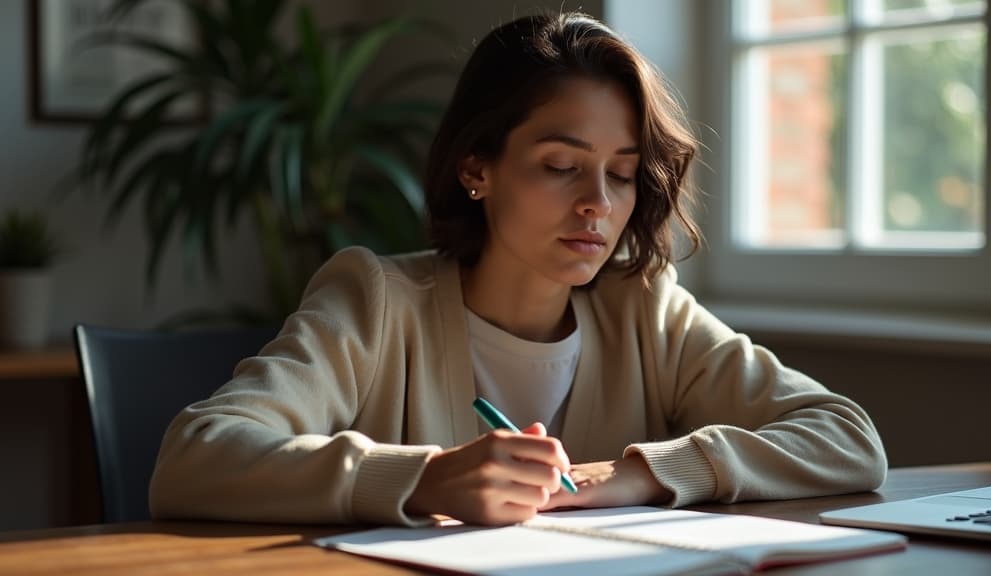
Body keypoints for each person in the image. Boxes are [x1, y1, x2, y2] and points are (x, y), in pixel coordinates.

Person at [149, 11, 886, 527]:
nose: (598, 203)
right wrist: (425, 477)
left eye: (623, 174)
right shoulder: (376, 301)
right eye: (561, 165)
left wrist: (640, 473)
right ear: (478, 168)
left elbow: (849, 438)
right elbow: (194, 458)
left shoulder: (644, 306)